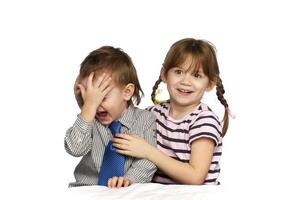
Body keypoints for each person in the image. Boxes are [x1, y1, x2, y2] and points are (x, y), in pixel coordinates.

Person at [112, 38, 231, 185]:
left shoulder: (204, 121)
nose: (186, 81)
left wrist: (148, 151)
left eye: (196, 75)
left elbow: (195, 177)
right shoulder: (152, 114)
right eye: (178, 72)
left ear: (210, 83)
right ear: (164, 74)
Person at [65, 46, 157, 188]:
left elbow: (148, 159)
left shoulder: (145, 119)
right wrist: (87, 107)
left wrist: (129, 180)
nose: (95, 104)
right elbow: (75, 149)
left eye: (102, 97)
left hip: (128, 190)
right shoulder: (89, 120)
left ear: (126, 92)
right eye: (89, 98)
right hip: (88, 190)